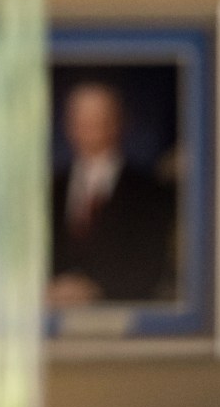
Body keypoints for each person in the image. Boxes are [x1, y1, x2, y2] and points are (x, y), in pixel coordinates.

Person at [47, 81, 177, 306]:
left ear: (119, 122)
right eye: (80, 119)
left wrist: (95, 290)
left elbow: (152, 265)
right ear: (68, 124)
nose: (88, 127)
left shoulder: (151, 191)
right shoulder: (49, 189)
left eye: (98, 118)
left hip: (121, 316)